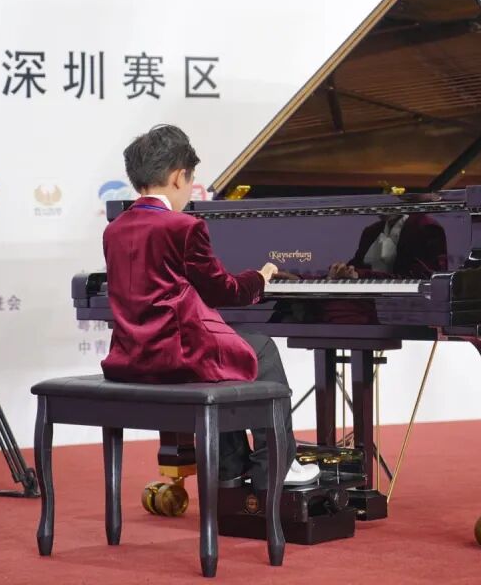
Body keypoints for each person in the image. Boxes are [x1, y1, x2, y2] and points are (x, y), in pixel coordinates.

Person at [100, 124, 319, 487]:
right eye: (190, 180)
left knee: (231, 346)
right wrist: (259, 277)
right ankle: (278, 463)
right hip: (176, 356)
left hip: (130, 356)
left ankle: (230, 468)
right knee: (261, 348)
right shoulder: (183, 227)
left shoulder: (115, 229)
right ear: (177, 176)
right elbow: (223, 291)